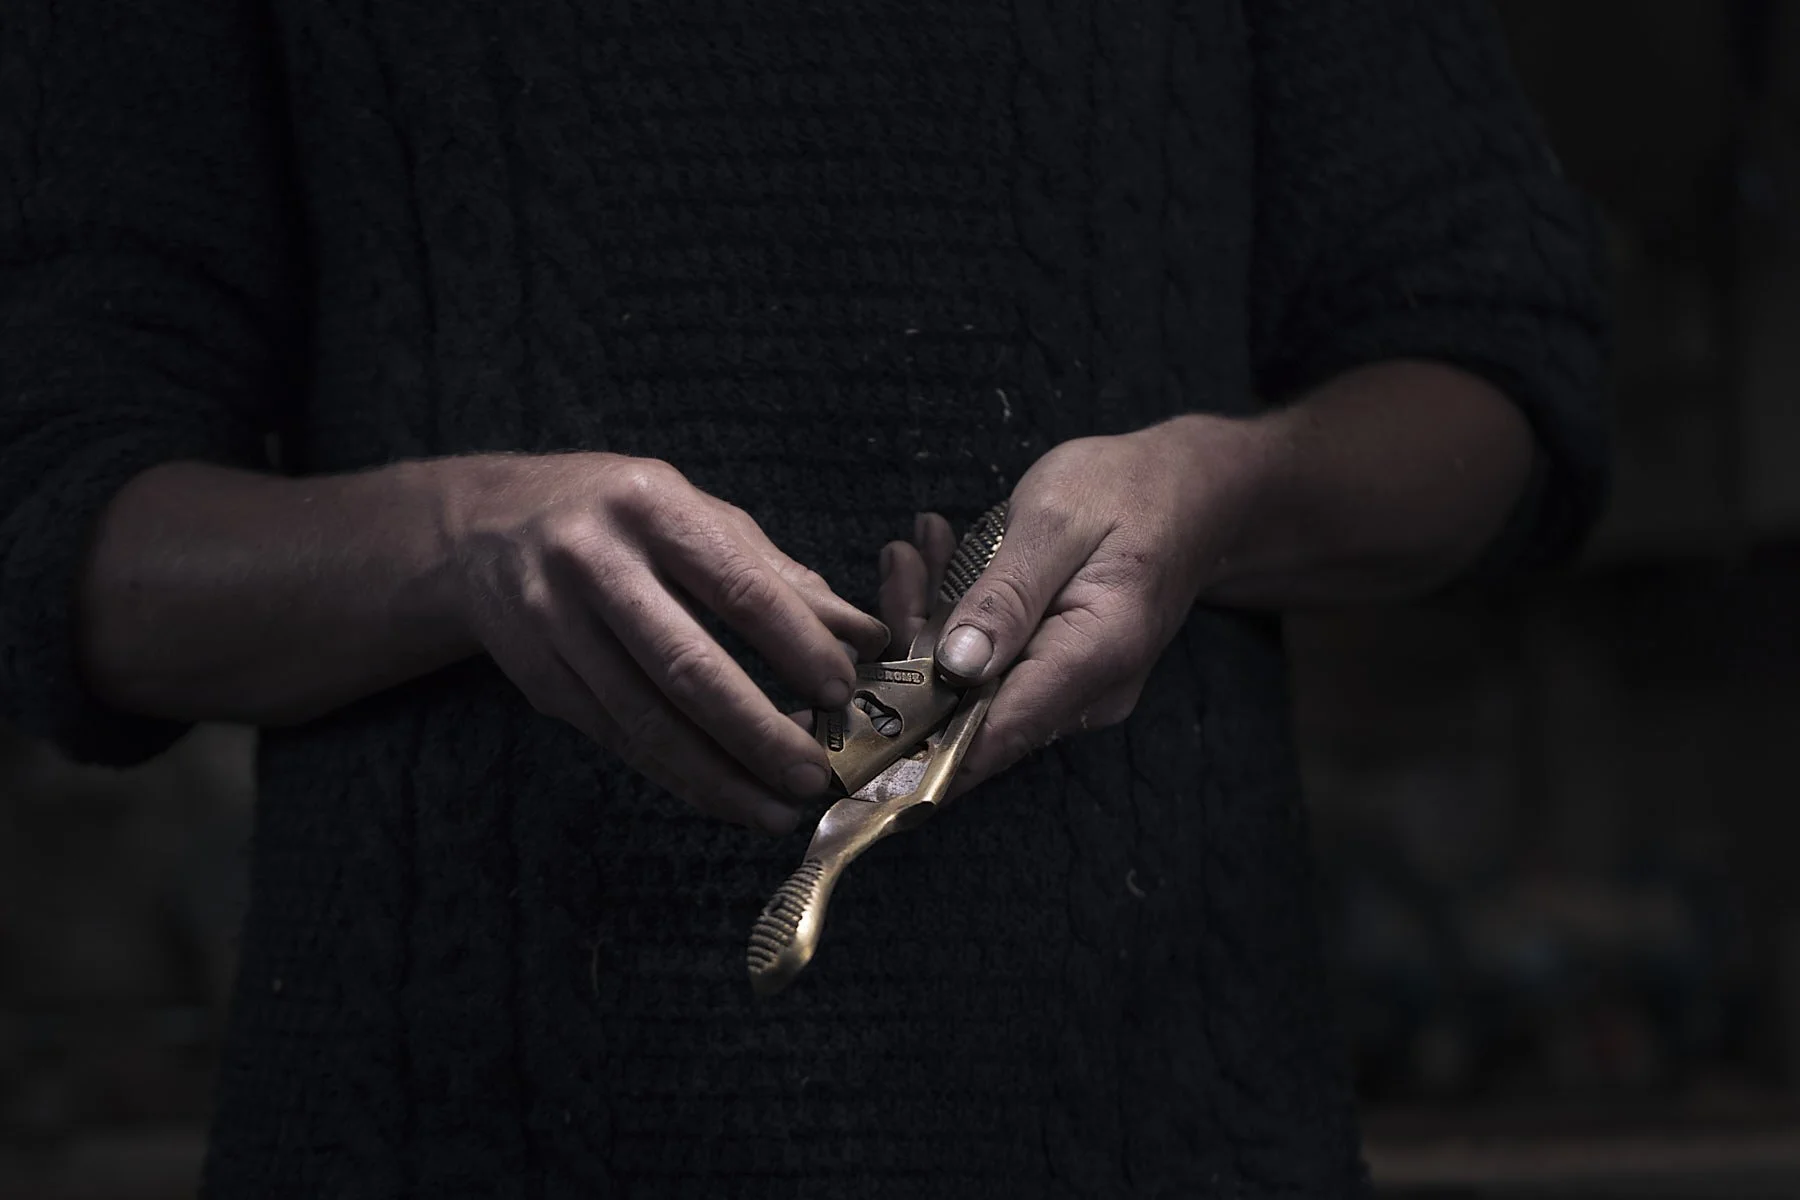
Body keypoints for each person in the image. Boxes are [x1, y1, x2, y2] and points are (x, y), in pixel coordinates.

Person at [0, 0, 1608, 1194]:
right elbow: (65, 527)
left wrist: (1217, 494)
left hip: (1153, 1117)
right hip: (440, 1130)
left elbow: (1495, 375)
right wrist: (462, 541)